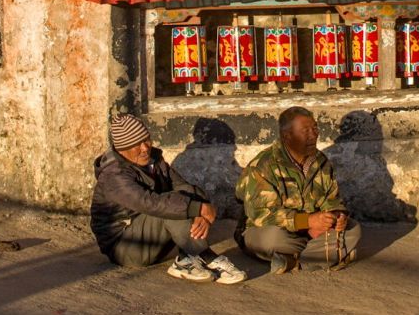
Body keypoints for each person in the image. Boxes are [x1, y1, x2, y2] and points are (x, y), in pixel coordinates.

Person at [90, 114, 247, 284]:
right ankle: (206, 256)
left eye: (146, 140)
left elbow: (182, 185)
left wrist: (202, 207)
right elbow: (150, 203)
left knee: (181, 200)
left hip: (154, 242)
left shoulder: (154, 160)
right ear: (121, 149)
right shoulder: (114, 176)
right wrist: (197, 208)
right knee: (168, 204)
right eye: (135, 145)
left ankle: (186, 258)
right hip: (126, 246)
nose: (144, 148)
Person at [236, 106, 361, 273]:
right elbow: (261, 215)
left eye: (315, 128)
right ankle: (328, 254)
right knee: (271, 240)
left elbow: (332, 199)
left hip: (310, 233)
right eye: (305, 130)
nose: (314, 134)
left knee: (354, 229)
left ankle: (291, 261)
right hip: (272, 231)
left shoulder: (320, 162)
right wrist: (307, 221)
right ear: (287, 136)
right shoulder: (263, 165)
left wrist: (337, 215)